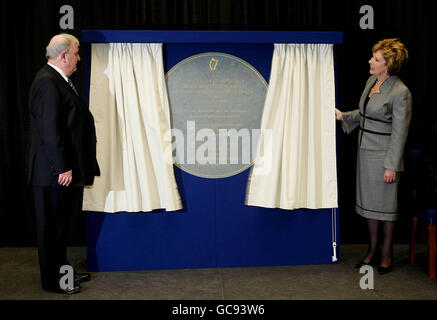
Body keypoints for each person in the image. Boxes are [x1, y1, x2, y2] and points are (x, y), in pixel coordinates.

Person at [28, 33, 100, 293]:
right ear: (63, 55)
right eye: (77, 53)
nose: (79, 58)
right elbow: (50, 129)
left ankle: (64, 273)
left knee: (60, 228)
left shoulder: (60, 80)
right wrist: (62, 166)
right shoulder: (47, 82)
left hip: (59, 171)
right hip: (52, 173)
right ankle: (55, 282)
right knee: (51, 231)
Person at [335, 38, 412, 275]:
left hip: (384, 157)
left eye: (376, 59)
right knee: (370, 205)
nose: (371, 61)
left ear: (388, 64)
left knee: (385, 207)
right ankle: (372, 250)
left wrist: (392, 166)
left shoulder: (401, 92)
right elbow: (366, 113)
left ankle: (386, 253)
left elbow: (400, 133)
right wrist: (343, 116)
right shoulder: (371, 81)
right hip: (365, 153)